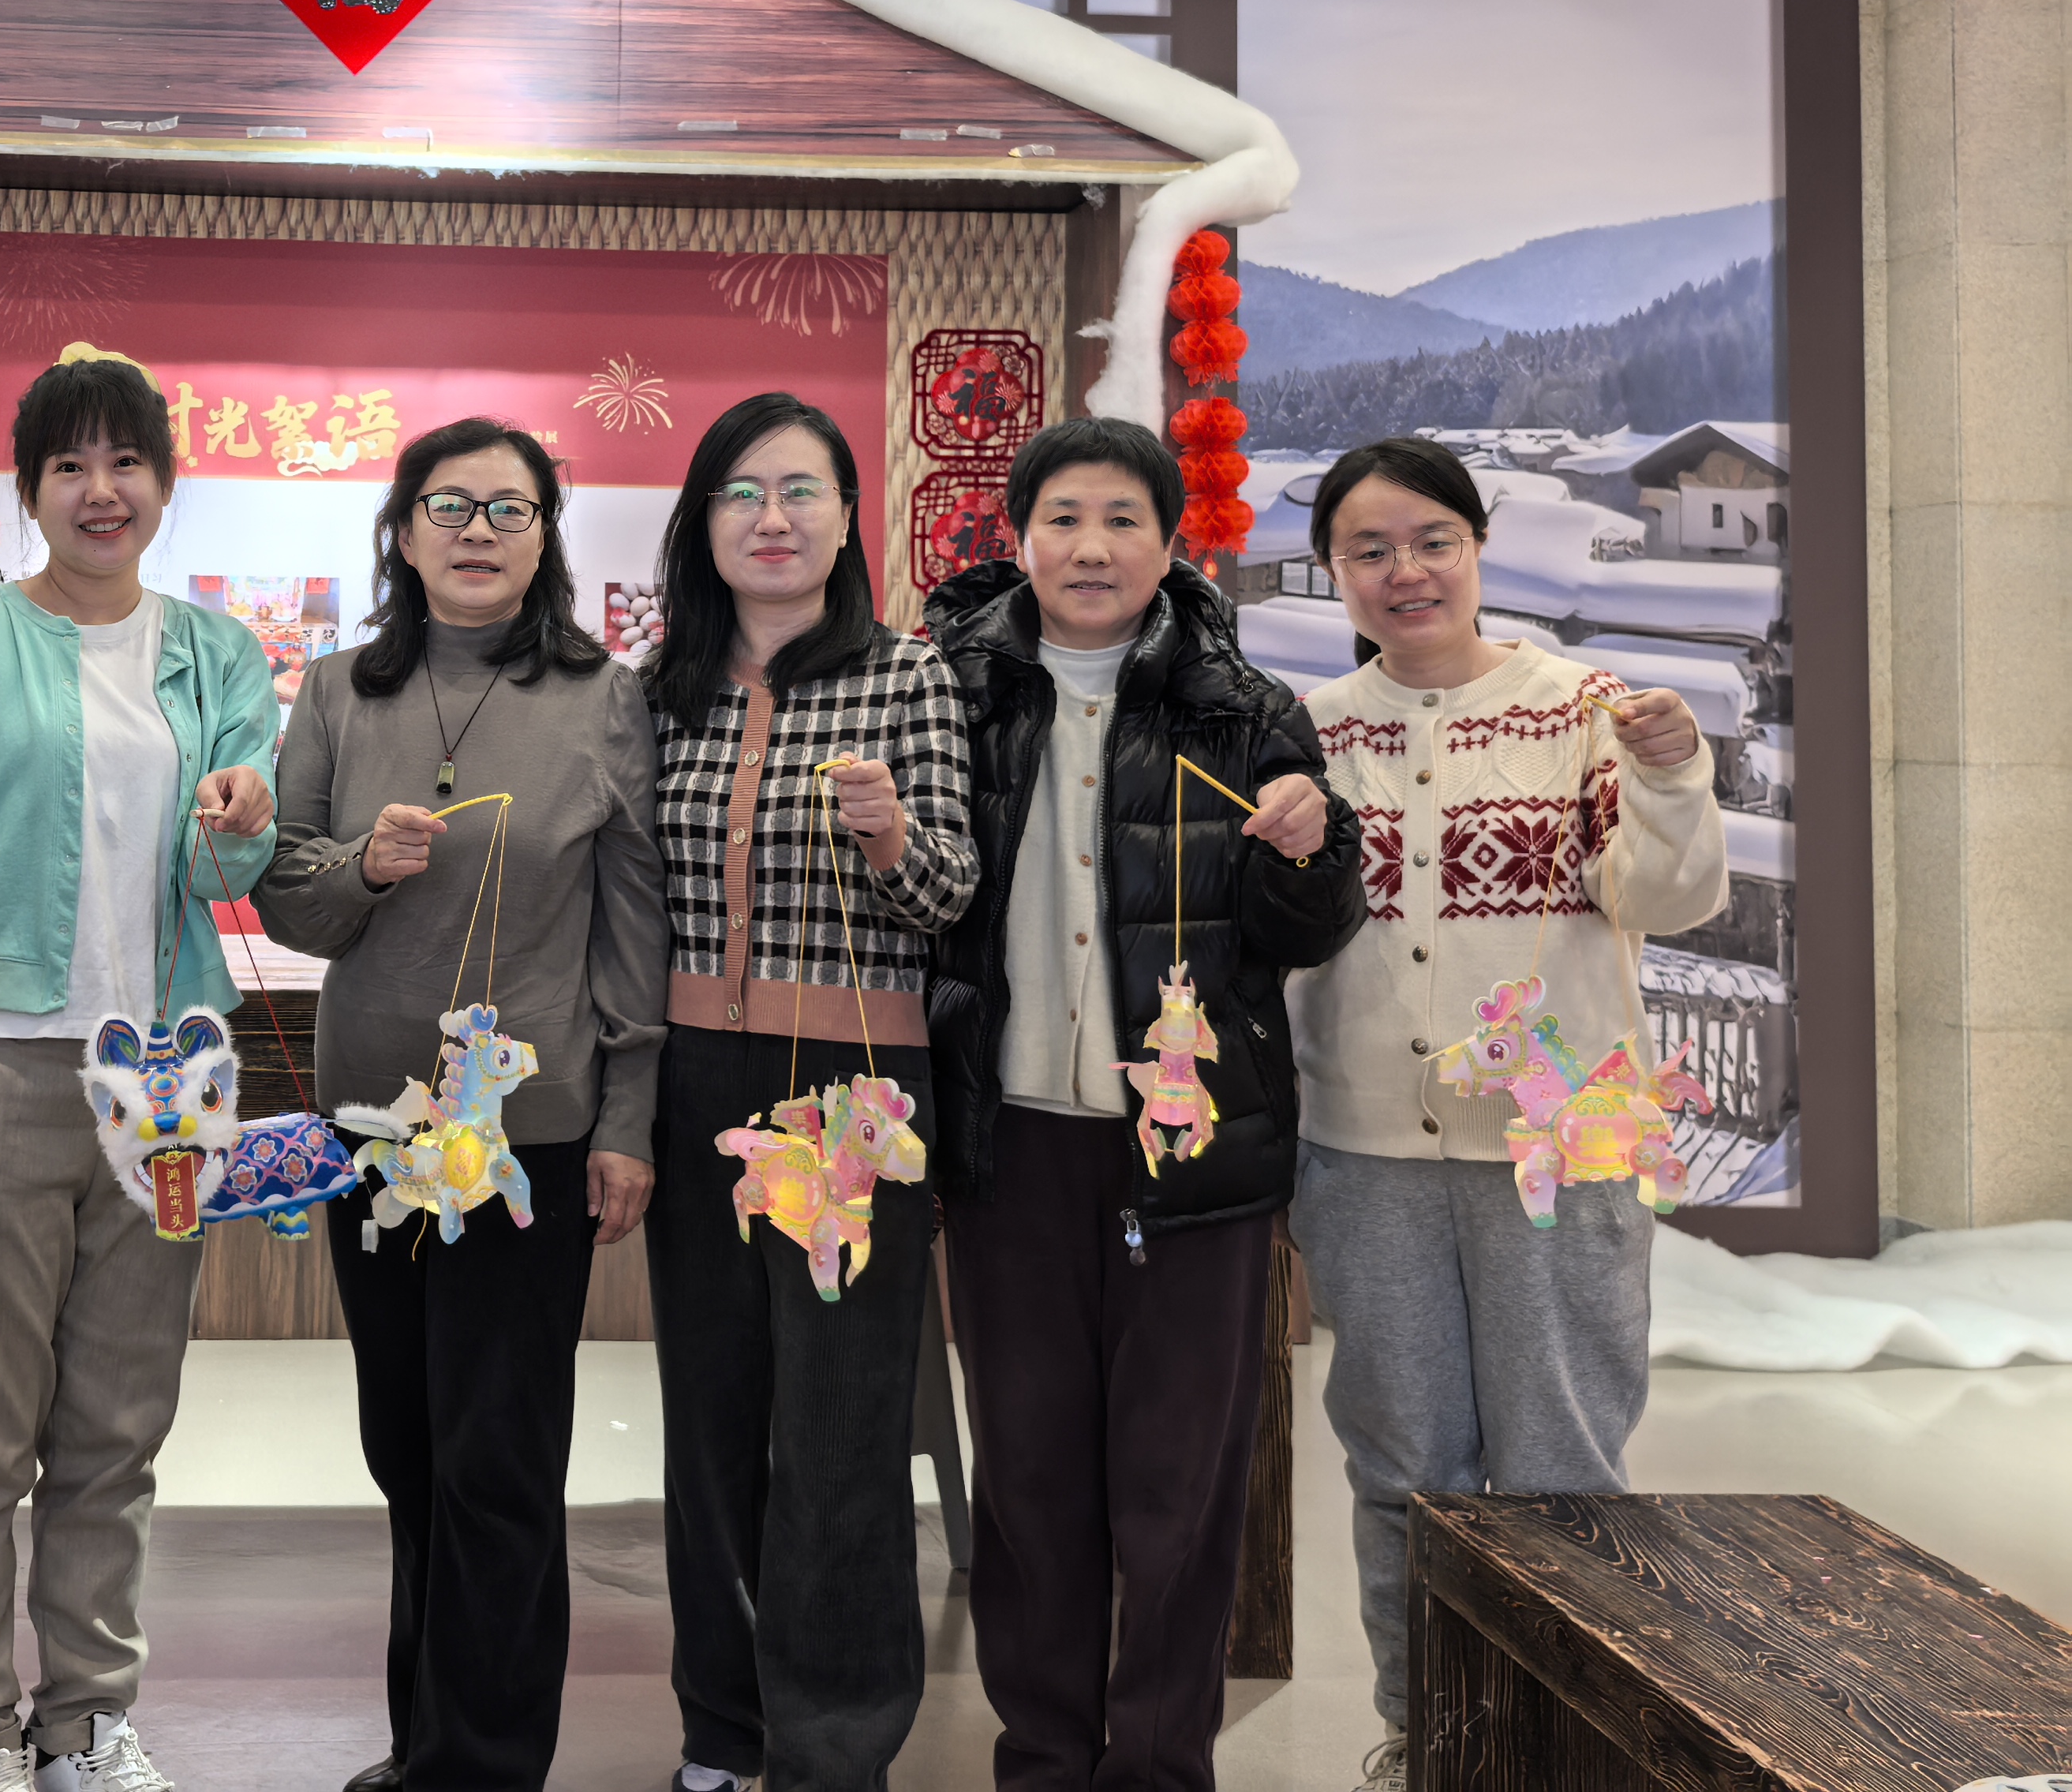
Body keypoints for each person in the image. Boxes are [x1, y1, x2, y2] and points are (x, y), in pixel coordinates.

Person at [0, 350, 279, 1792]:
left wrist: (246, 811)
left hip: (168, 1084)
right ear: (27, 491)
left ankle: (86, 1719)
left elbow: (232, 872)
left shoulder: (219, 655)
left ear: (164, 484)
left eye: (127, 462)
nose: (101, 490)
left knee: (117, 1427)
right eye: (69, 465)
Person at [922, 414, 1363, 1792]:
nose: (1092, 546)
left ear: (1171, 544)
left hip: (1190, 1154)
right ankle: (1044, 1761)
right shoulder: (949, 693)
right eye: (1063, 517)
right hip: (1009, 1147)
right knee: (1030, 1481)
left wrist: (1310, 849)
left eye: (1124, 519)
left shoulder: (1245, 707)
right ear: (1018, 538)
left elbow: (1306, 931)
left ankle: (1163, 1766)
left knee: (1180, 1486)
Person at [1285, 439, 1728, 1792]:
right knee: (1401, 1470)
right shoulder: (1312, 730)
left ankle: (1569, 1752)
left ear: (1478, 547)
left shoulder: (1582, 708)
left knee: (1562, 1471)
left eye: (1433, 540)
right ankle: (1431, 1742)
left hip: (1559, 1154)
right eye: (1369, 550)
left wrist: (1673, 776)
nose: (1405, 571)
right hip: (1364, 1155)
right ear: (1334, 571)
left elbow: (1668, 898)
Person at [255, 417, 669, 1792]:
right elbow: (288, 898)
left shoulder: (603, 698)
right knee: (407, 1449)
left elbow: (634, 930)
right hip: (371, 1135)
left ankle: (481, 1765)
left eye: (509, 507)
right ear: (403, 529)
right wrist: (362, 869)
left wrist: (626, 1122)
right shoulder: (338, 689)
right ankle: (425, 1740)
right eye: (449, 505)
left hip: (524, 1141)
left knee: (498, 1460)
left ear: (547, 534)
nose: (478, 530)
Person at [641, 394, 978, 1792]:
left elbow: (951, 895)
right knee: (711, 1418)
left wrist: (892, 838)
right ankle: (723, 1730)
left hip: (854, 1091)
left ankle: (835, 1746)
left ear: (847, 518)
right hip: (694, 1084)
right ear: (702, 522)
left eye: (799, 492)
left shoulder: (910, 677)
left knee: (841, 1424)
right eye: (740, 492)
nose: (769, 519)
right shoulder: (664, 685)